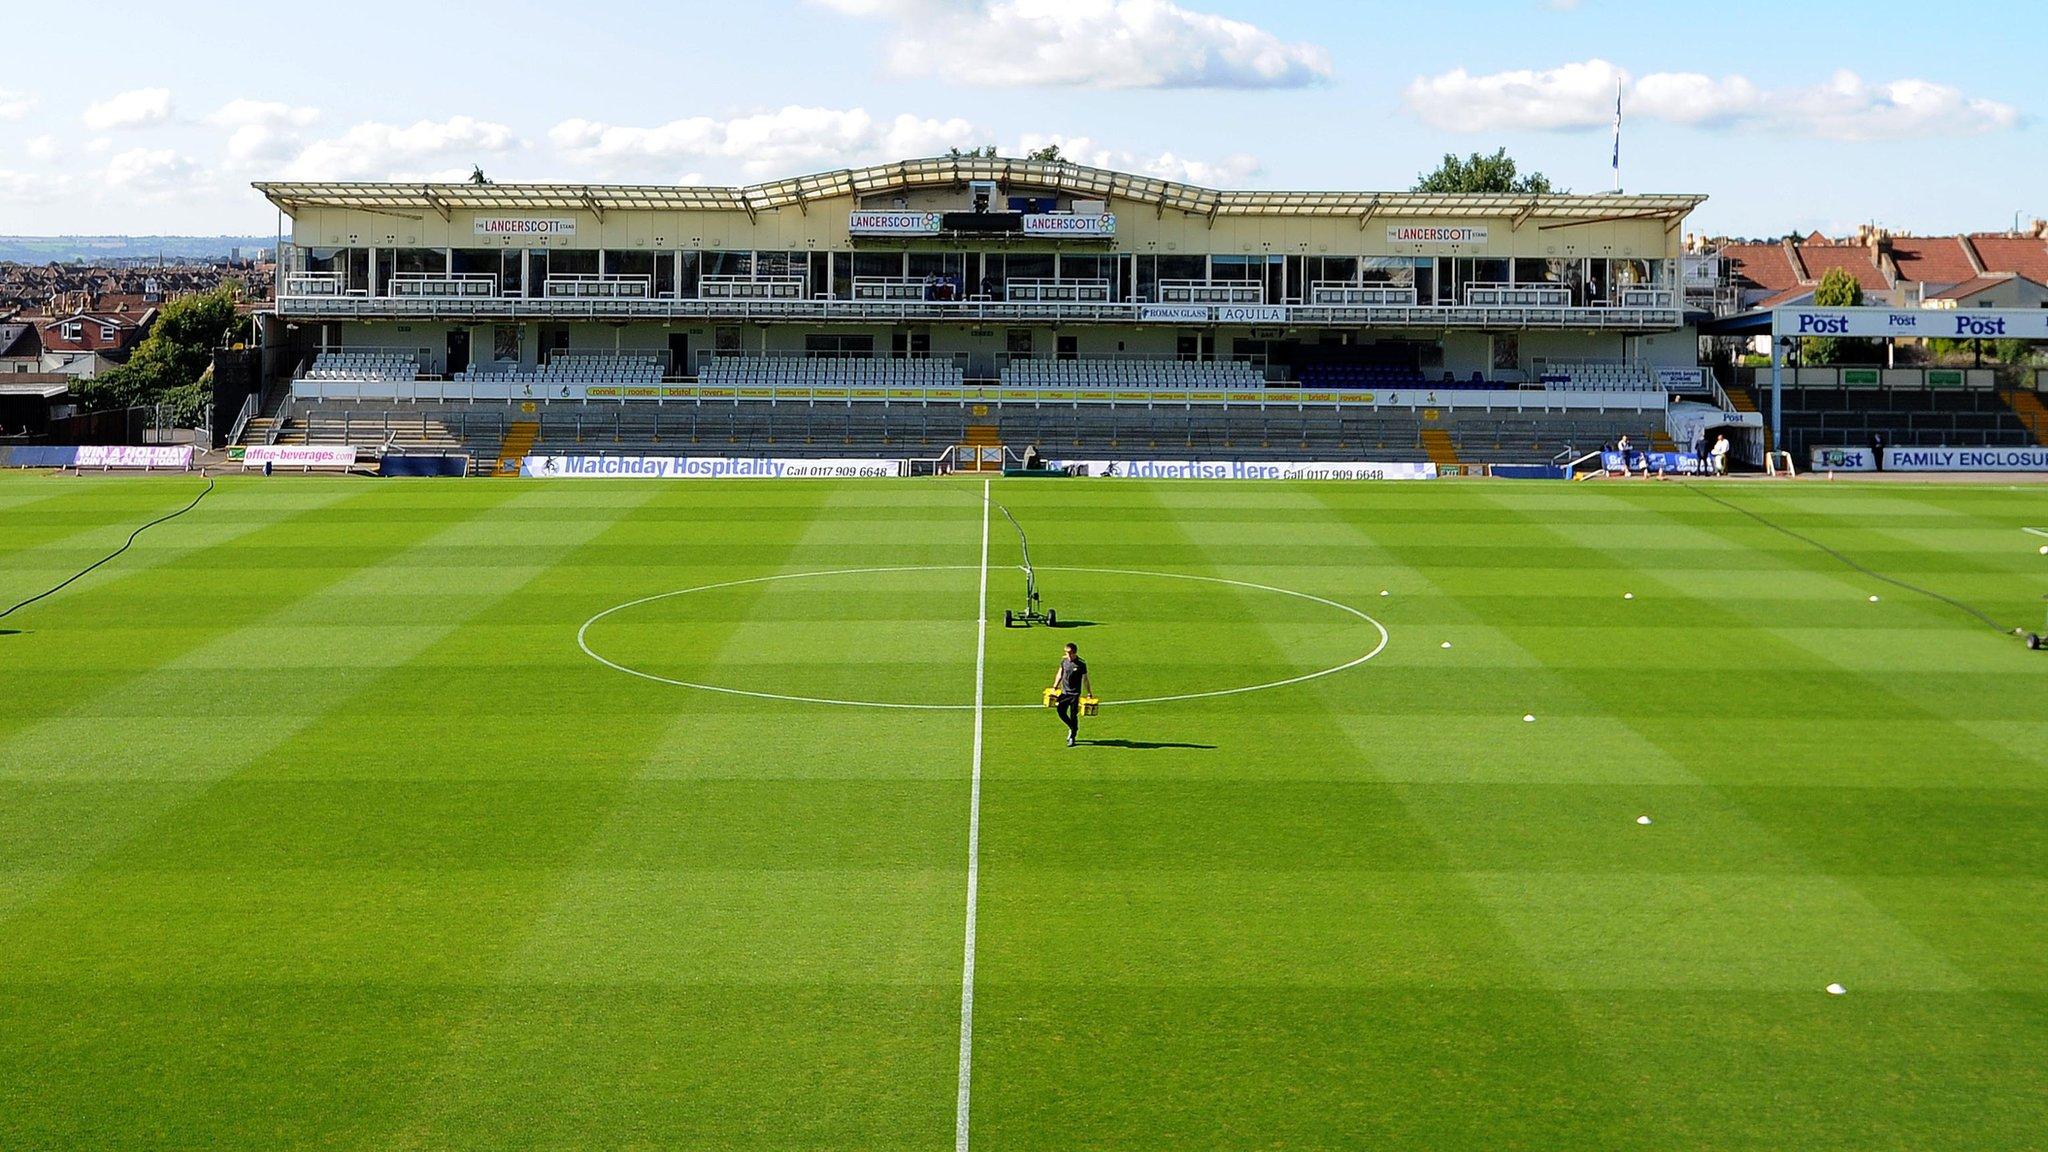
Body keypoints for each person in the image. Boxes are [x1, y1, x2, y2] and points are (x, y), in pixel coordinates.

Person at [1049, 642, 1093, 747]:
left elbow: (1085, 679)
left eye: (1069, 653)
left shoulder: (1081, 664)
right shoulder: (1064, 661)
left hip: (1074, 694)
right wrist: (1055, 686)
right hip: (1064, 692)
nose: (1068, 655)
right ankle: (1073, 727)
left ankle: (1072, 737)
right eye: (1066, 653)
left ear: (1074, 653)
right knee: (1060, 711)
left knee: (1074, 715)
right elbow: (1060, 673)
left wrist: (1089, 693)